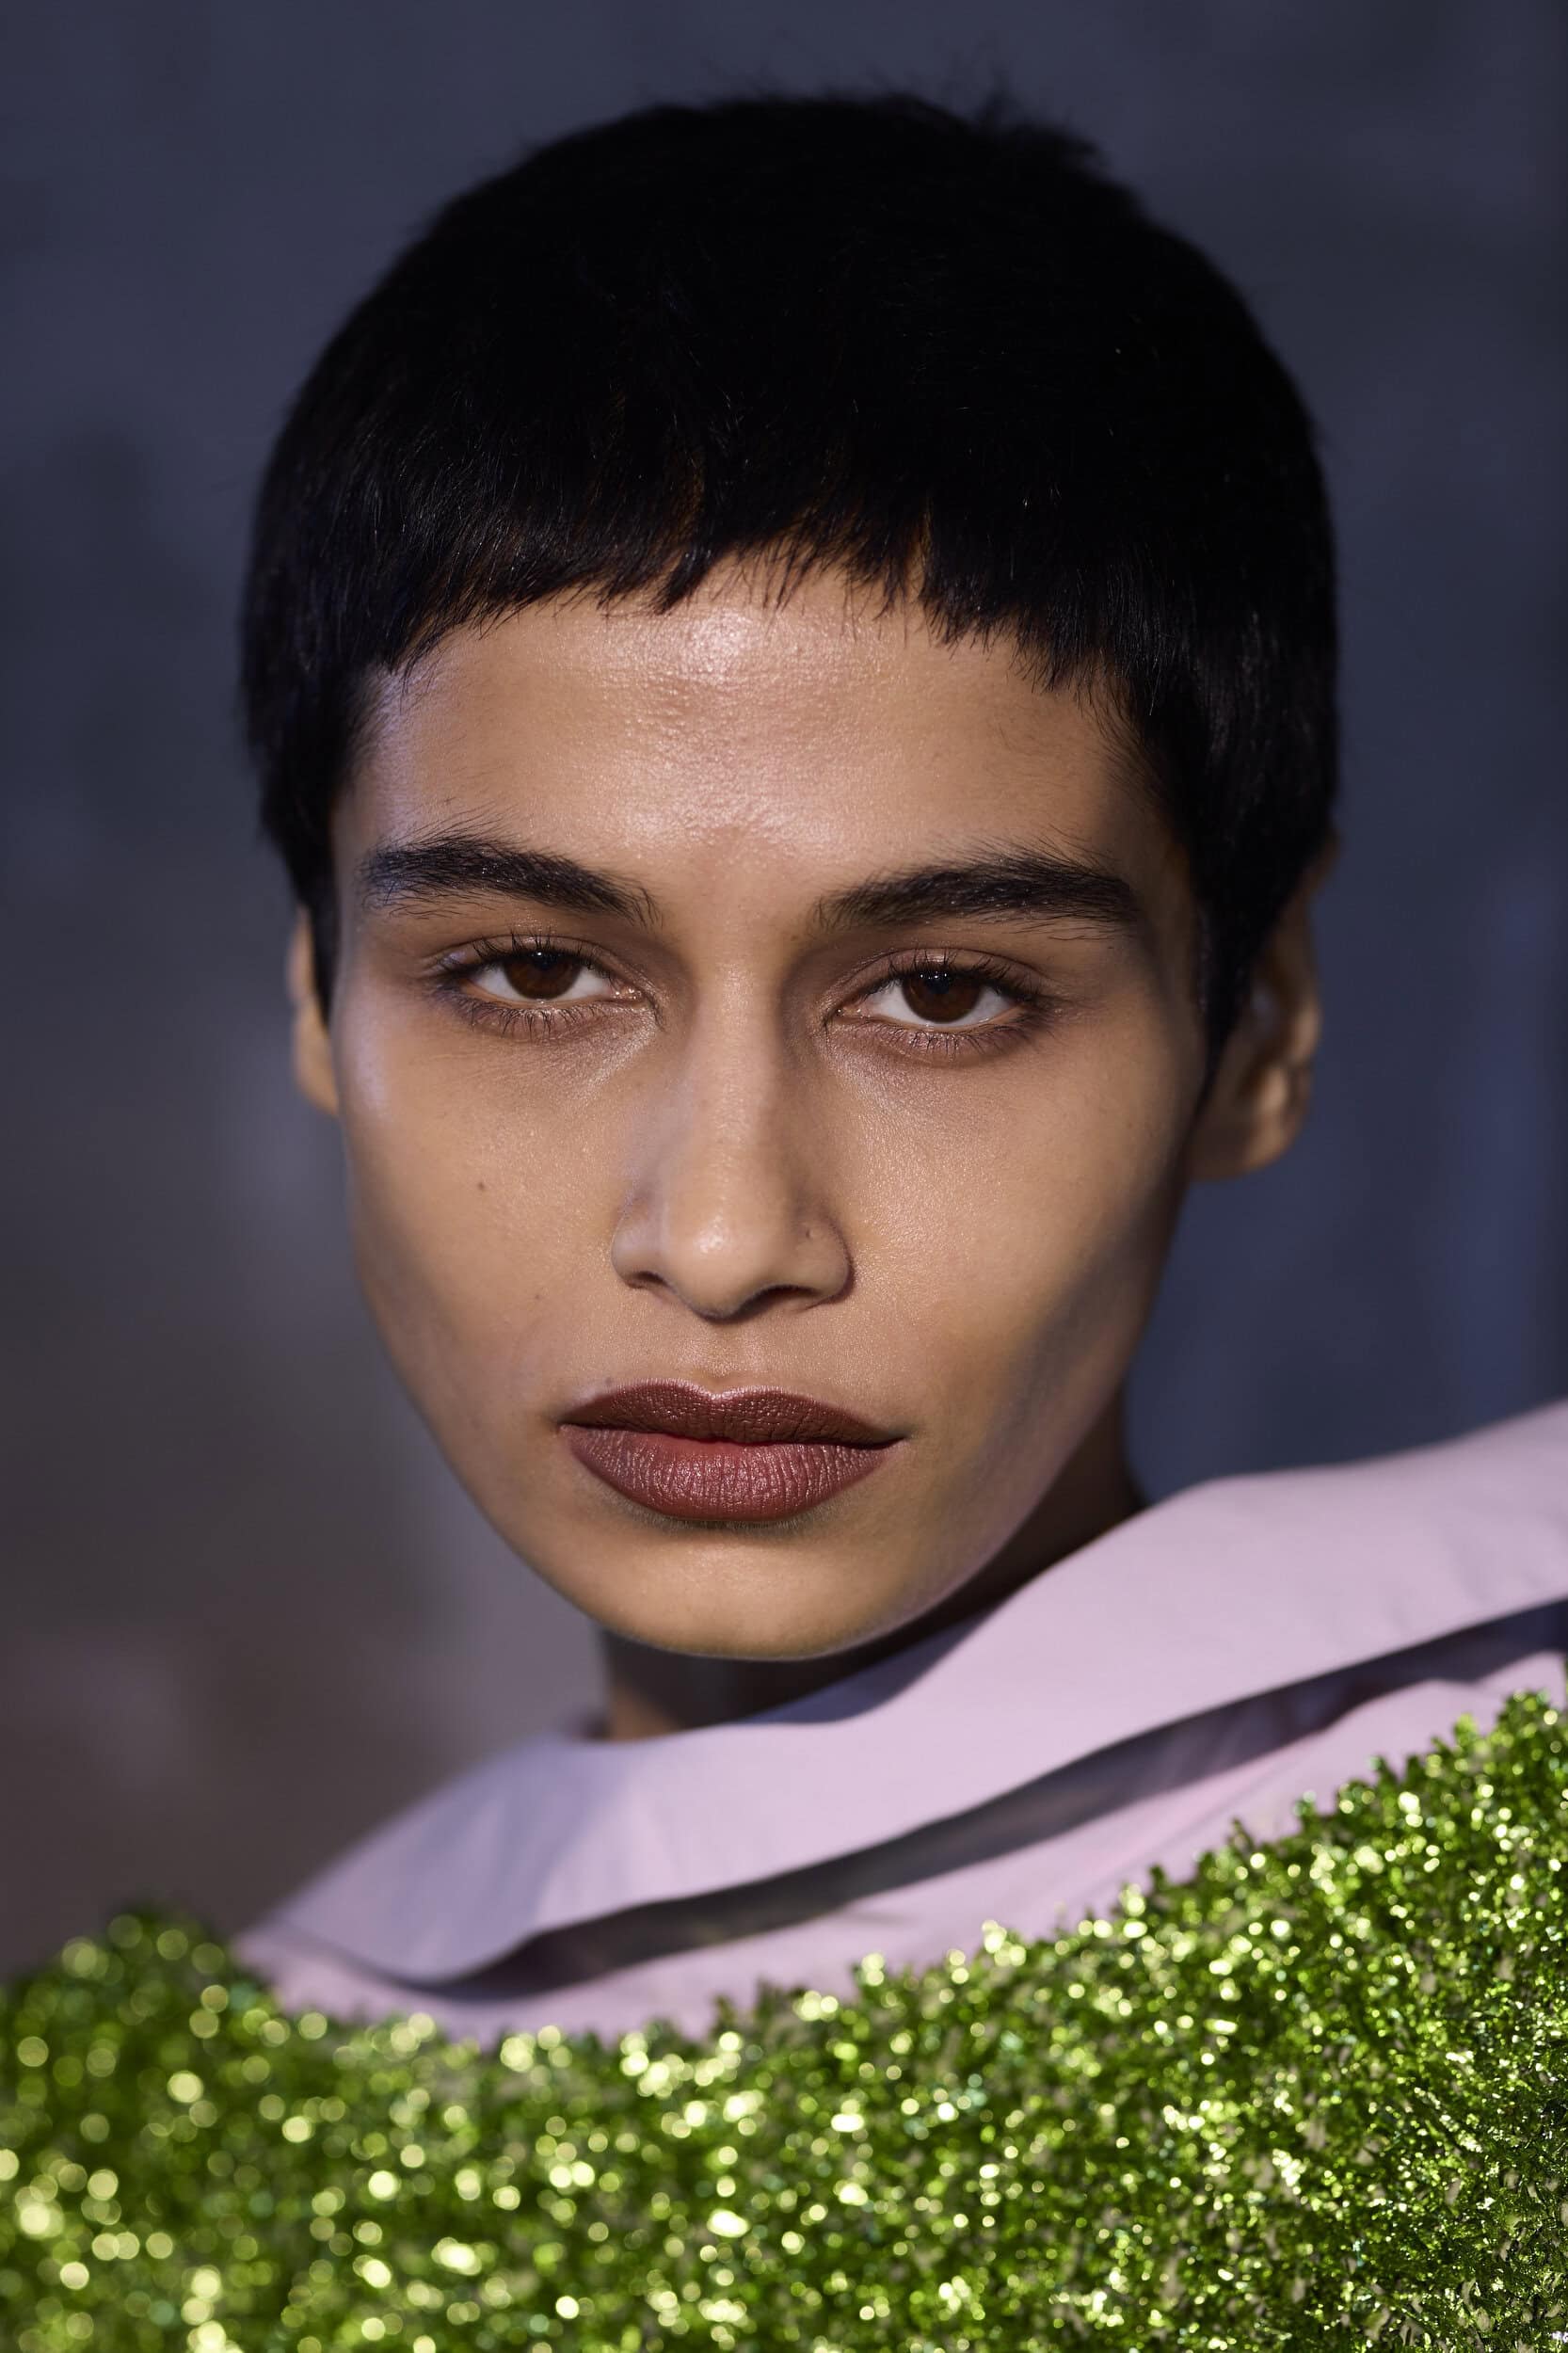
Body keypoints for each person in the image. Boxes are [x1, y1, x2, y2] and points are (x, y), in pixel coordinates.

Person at [232, 90, 1568, 2041]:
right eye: (532, 970)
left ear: (1256, 1026)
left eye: (942, 994)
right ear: (316, 998)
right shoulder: (154, 2151)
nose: (721, 1238)